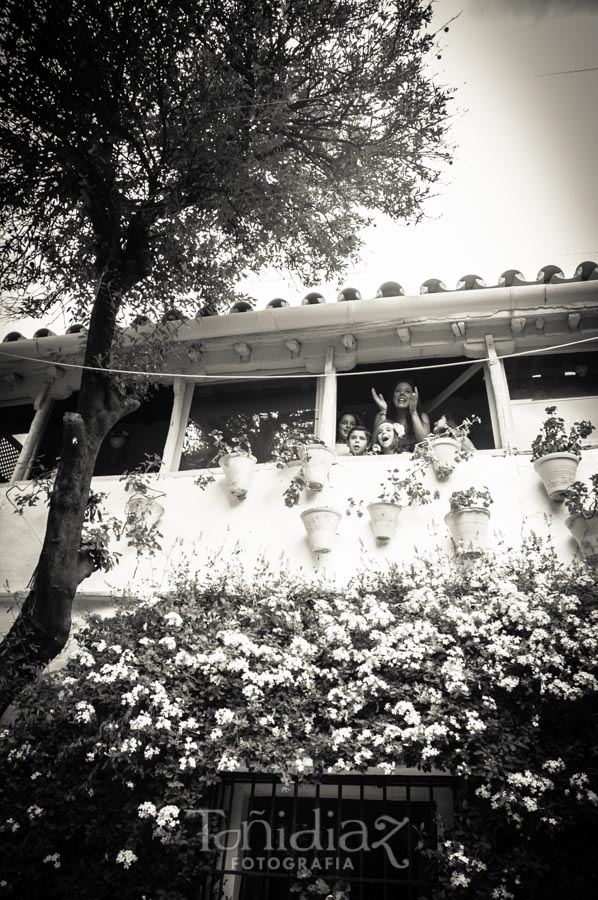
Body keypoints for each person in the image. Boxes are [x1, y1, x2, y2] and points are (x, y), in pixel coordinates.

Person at [371, 379, 431, 452]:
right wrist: (383, 411)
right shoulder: (383, 415)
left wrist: (413, 412)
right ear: (393, 396)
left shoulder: (422, 417)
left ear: (414, 396)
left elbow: (424, 445)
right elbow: (375, 445)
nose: (402, 393)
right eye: (398, 391)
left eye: (407, 391)